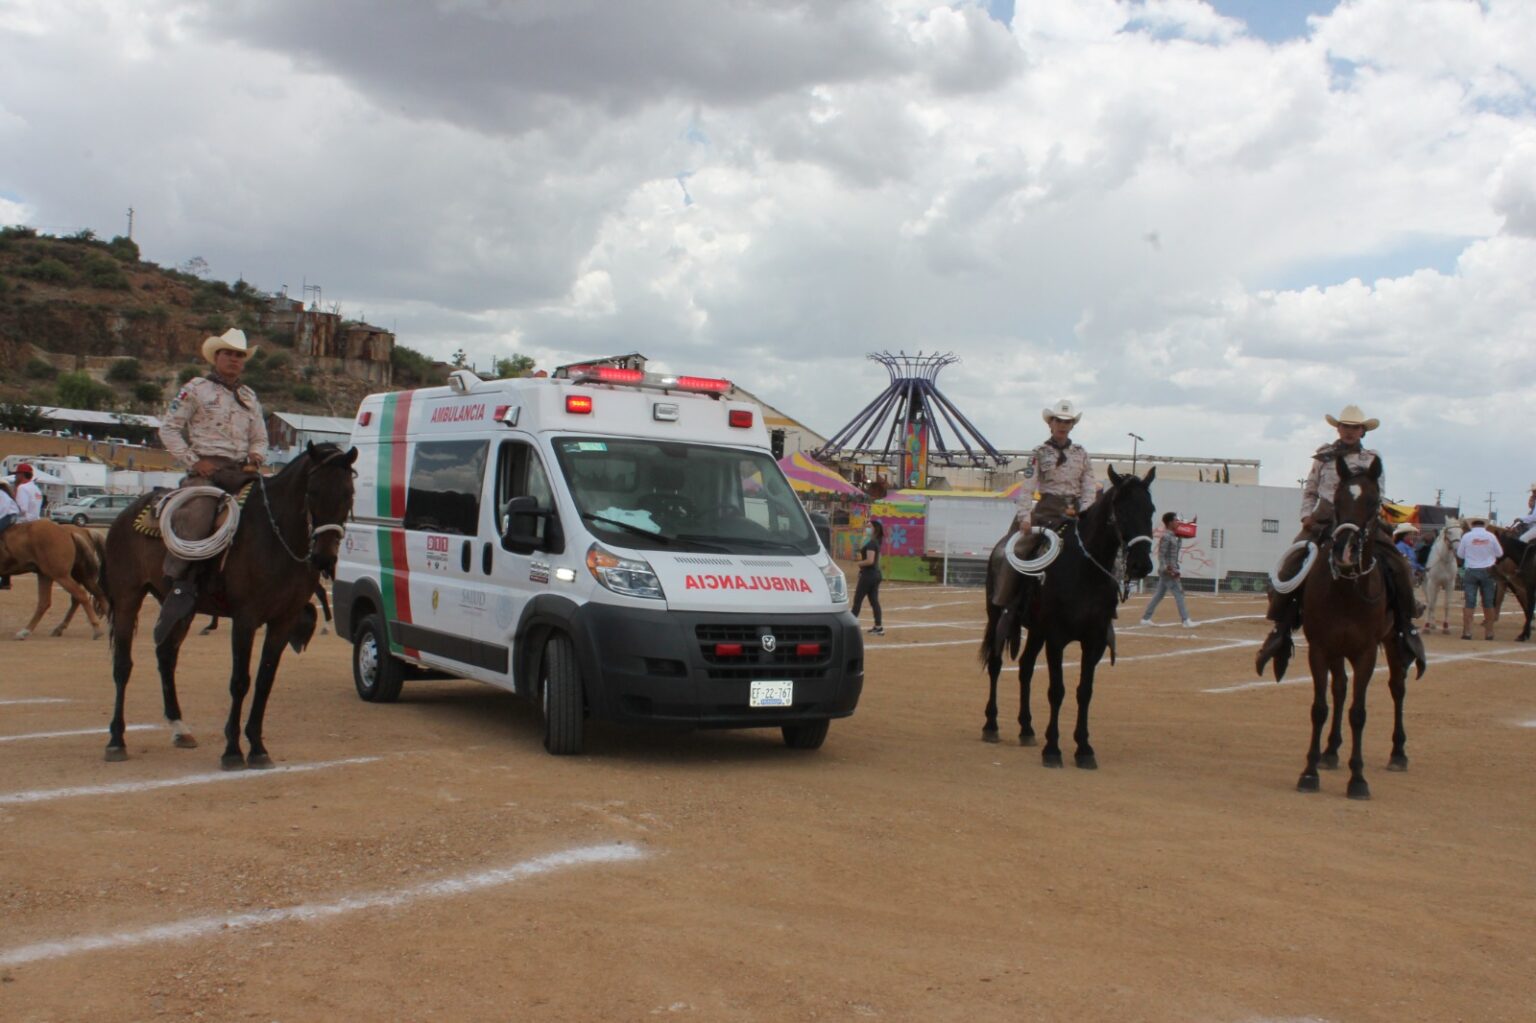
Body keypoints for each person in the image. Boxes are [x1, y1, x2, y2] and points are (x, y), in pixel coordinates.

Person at [1256, 404, 1426, 679]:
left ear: (1363, 431)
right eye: (1345, 426)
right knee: (1290, 566)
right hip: (1324, 518)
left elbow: (1378, 493)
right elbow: (1310, 490)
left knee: (1398, 564)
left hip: (1361, 519)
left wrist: (1369, 521)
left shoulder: (1372, 458)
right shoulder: (1323, 456)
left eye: (1354, 427)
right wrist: (1306, 518)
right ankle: (1280, 629)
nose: (1349, 431)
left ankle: (1407, 626)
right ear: (1338, 428)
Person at [153, 327, 268, 643]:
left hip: (241, 471)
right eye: (228, 353)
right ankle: (180, 584)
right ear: (216, 357)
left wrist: (255, 458)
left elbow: (259, 437)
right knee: (199, 517)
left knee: (272, 513)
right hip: (205, 470)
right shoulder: (195, 389)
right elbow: (169, 429)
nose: (234, 359)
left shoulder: (249, 397)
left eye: (239, 355)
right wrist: (193, 461)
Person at [1140, 512, 1193, 627]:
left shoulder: (1174, 536)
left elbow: (1178, 547)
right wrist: (1165, 568)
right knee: (1179, 593)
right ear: (1169, 523)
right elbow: (1161, 554)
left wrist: (1185, 531)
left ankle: (1146, 618)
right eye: (1175, 520)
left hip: (1170, 569)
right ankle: (1185, 620)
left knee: (1159, 594)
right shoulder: (1166, 536)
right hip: (1169, 570)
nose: (1177, 522)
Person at [1455, 515, 1503, 640]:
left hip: (1471, 570)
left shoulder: (1466, 536)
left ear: (1472, 525)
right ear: (1484, 525)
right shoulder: (1491, 536)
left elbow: (1460, 554)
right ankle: (1489, 632)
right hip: (1488, 570)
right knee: (1488, 602)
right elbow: (1500, 553)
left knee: (1469, 602)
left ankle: (1467, 632)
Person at [852, 519, 884, 636]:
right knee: (874, 601)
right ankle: (878, 627)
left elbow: (870, 561)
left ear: (874, 528)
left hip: (869, 575)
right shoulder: (875, 542)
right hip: (874, 574)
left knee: (858, 600)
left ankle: (850, 627)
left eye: (869, 526)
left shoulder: (872, 543)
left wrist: (859, 564)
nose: (866, 528)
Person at [0, 480, 18, 590]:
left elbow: (3, 510)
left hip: (9, 515)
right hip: (8, 515)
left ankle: (5, 555)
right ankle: (5, 580)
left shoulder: (1, 494)